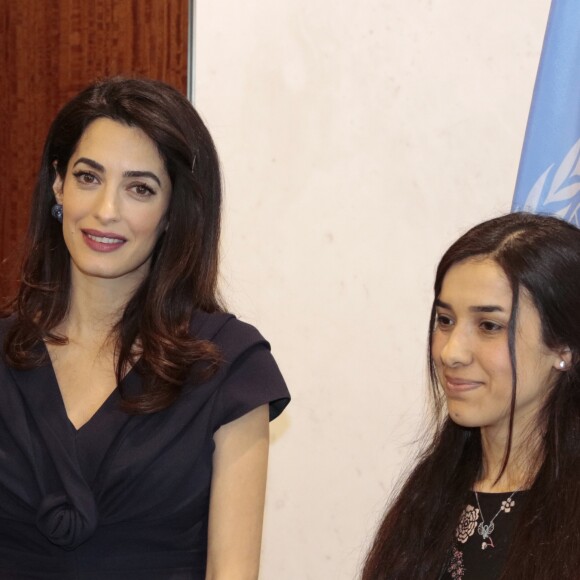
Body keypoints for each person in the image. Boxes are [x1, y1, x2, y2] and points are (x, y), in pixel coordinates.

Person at [0, 77, 290, 579]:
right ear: (57, 185)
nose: (106, 211)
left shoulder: (228, 369)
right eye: (88, 177)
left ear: (174, 210)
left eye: (139, 188)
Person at [362, 212, 580, 580]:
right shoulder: (432, 493)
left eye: (489, 326)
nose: (451, 353)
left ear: (563, 348)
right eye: (445, 321)